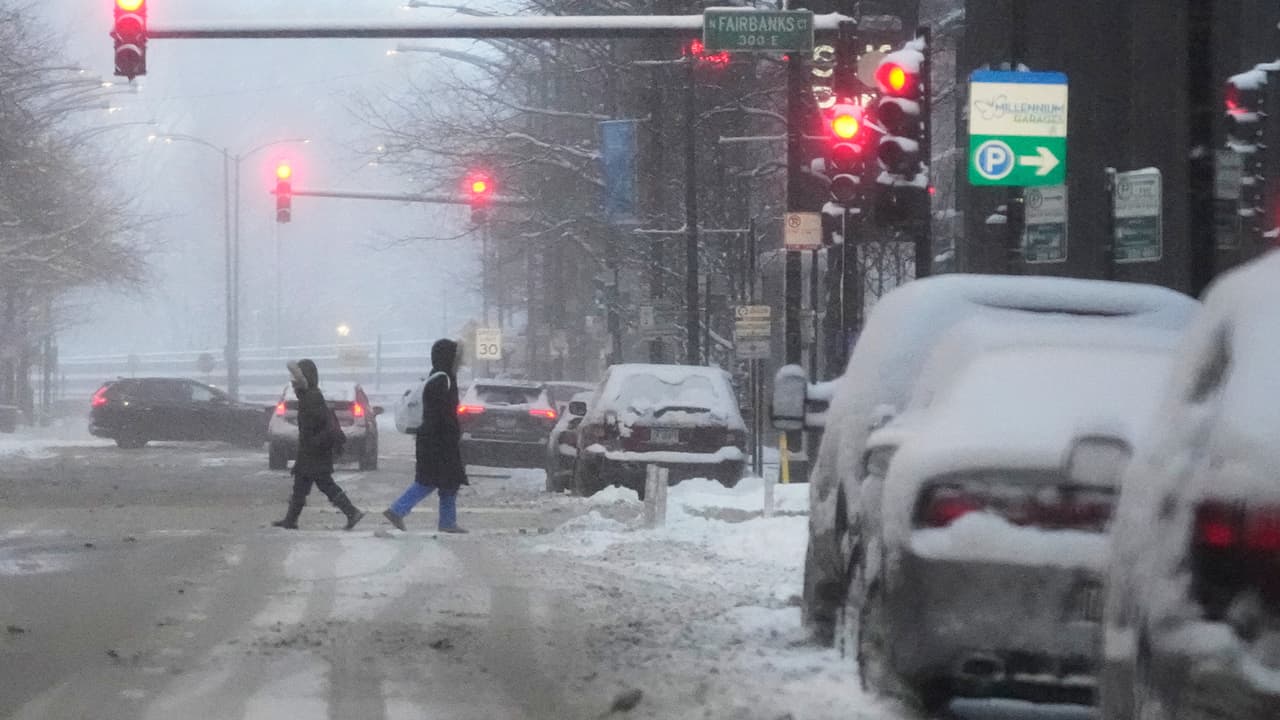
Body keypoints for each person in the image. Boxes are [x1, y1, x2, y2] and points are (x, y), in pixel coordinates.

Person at [384, 339, 469, 533]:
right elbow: (440, 414)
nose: (460, 361)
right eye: (456, 356)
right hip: (438, 441)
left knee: (446, 481)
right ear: (449, 357)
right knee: (431, 480)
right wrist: (450, 433)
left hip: (433, 439)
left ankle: (446, 521)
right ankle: (398, 510)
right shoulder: (442, 380)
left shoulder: (438, 377)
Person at [272, 358, 365, 531]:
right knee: (302, 485)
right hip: (311, 450)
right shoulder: (309, 395)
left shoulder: (312, 397)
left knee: (324, 484)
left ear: (304, 378)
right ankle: (290, 520)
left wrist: (314, 443)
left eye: (295, 378)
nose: (292, 382)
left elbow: (323, 426)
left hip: (315, 451)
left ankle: (352, 512)